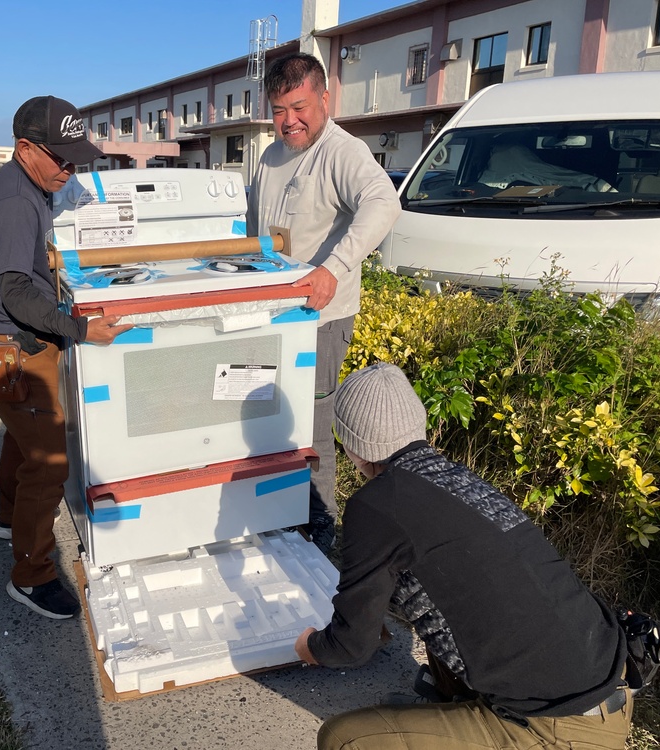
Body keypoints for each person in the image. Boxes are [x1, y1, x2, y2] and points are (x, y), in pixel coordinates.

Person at [294, 362, 635, 750]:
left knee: (343, 738)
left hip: (559, 726)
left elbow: (349, 647)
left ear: (351, 444)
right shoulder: (457, 478)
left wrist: (310, 646)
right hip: (610, 684)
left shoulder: (376, 505)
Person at [0, 95, 132, 620]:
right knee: (49, 461)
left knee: (25, 440)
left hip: (11, 343)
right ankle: (31, 577)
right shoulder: (17, 200)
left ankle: (8, 520)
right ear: (24, 149)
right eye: (61, 157)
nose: (70, 168)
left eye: (76, 157)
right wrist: (80, 329)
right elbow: (16, 291)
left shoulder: (29, 187)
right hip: (8, 350)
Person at [246, 53, 401, 555]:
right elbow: (254, 234)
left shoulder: (342, 151)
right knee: (267, 420)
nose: (289, 119)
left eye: (299, 106)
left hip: (319, 320)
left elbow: (384, 202)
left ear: (324, 100)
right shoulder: (270, 158)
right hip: (270, 318)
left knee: (311, 426)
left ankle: (319, 534)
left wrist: (333, 270)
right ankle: (277, 517)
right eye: (278, 109)